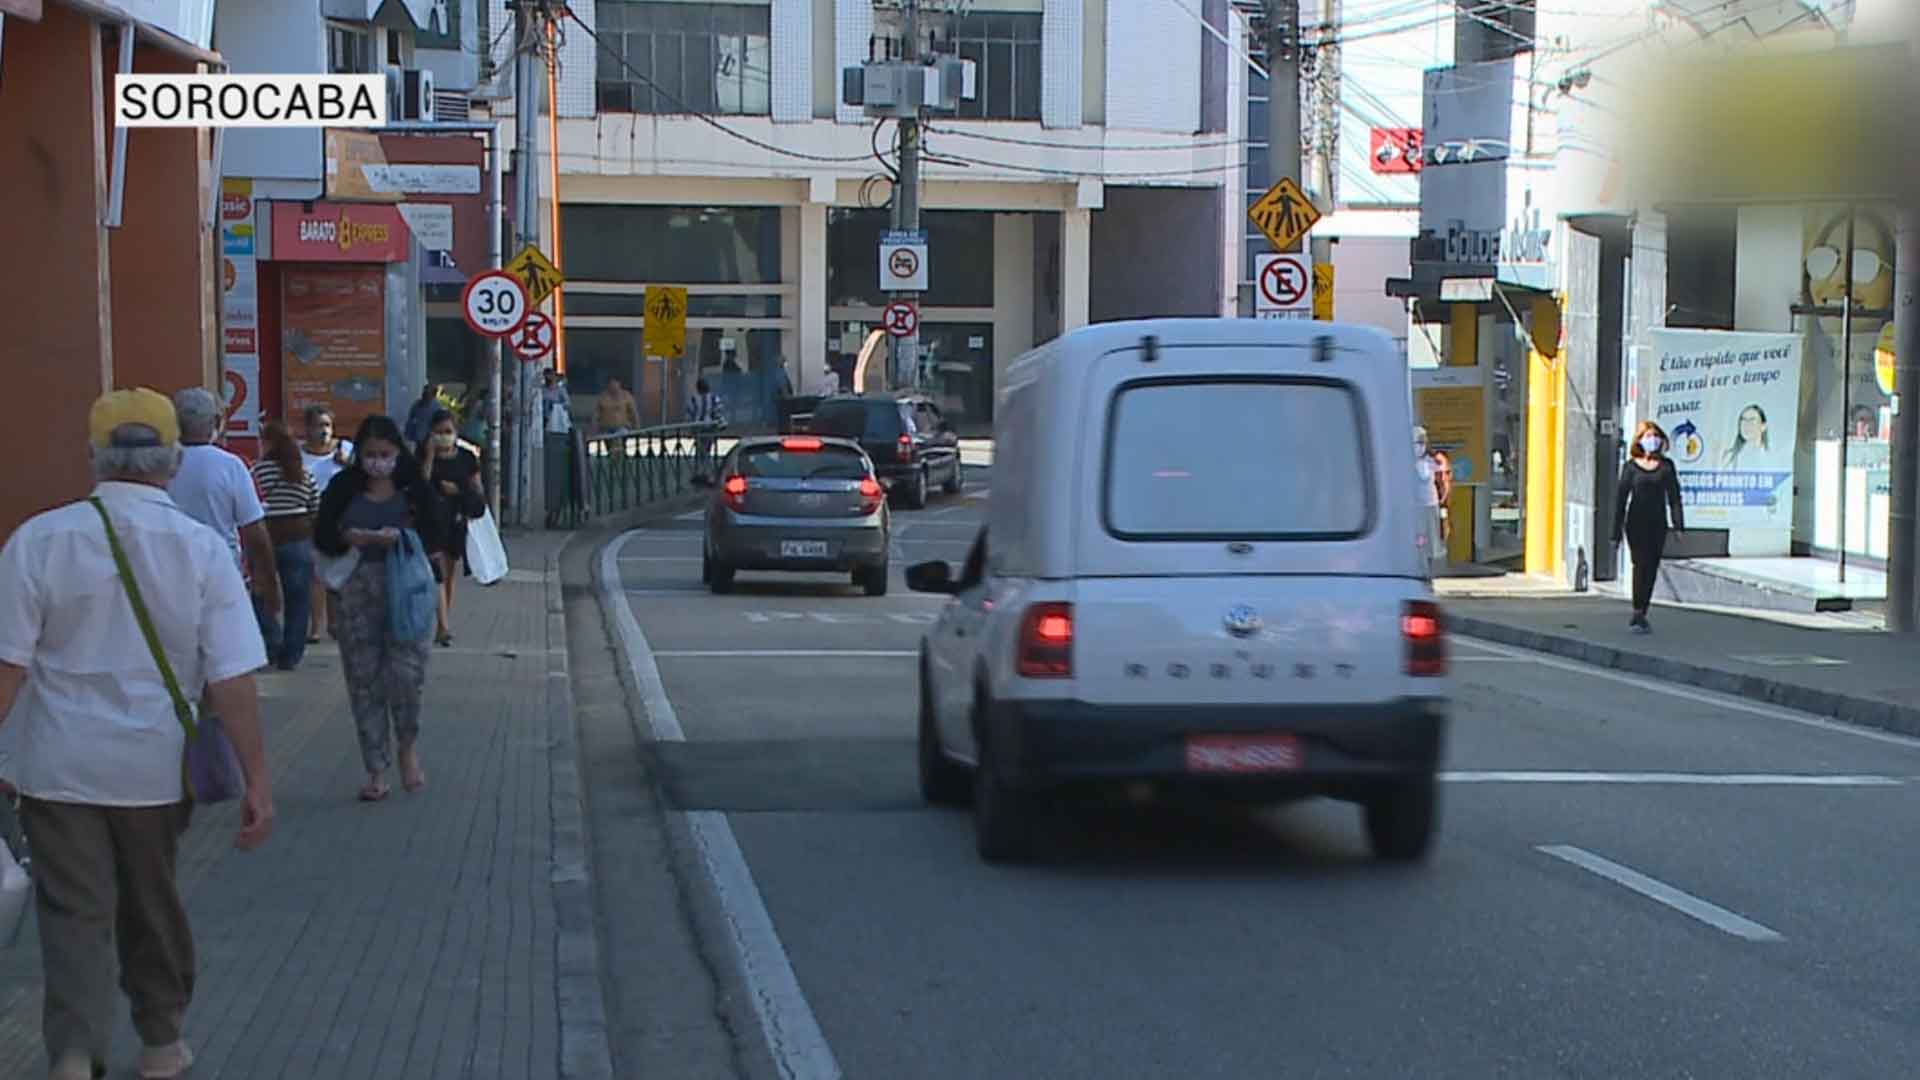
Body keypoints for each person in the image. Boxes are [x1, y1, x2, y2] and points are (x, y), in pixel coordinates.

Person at [0, 388, 274, 1080]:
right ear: (174, 460)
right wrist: (258, 781)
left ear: (92, 457)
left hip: (55, 766)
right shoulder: (202, 550)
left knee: (72, 915)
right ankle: (160, 1043)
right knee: (153, 903)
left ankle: (71, 1052)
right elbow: (232, 680)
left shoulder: (39, 539)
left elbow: (7, 666)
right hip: (155, 770)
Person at [313, 415, 442, 801]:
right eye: (369, 455)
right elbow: (322, 534)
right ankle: (376, 769)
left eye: (384, 454)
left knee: (407, 677)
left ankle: (407, 748)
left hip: (407, 591)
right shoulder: (343, 488)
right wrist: (347, 537)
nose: (377, 462)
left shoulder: (414, 489)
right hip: (356, 591)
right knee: (364, 682)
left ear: (397, 453)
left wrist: (401, 538)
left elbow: (437, 532)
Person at [168, 388, 280, 638]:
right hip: (221, 577)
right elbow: (256, 532)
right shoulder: (230, 465)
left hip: (169, 577)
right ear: (216, 422)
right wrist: (269, 582)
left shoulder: (159, 465)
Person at [249, 420, 321, 671]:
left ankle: (272, 642)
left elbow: (250, 504)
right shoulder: (303, 473)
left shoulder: (258, 471)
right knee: (298, 598)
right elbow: (315, 507)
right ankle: (292, 653)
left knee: (261, 595)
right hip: (298, 539)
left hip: (266, 538)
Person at [417, 409, 485, 647]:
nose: (443, 436)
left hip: (455, 520)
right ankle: (443, 626)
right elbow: (420, 485)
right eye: (438, 432)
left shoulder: (466, 458)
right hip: (429, 522)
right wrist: (429, 456)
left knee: (448, 573)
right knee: (437, 572)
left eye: (448, 432)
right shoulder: (424, 453)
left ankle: (442, 622)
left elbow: (477, 492)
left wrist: (459, 491)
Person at [1613, 420, 1687, 634]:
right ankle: (1637, 611)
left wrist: (1679, 525)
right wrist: (1615, 532)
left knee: (1651, 567)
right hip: (1636, 523)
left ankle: (1643, 609)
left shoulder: (1666, 466)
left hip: (1657, 524)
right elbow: (1620, 499)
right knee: (1640, 564)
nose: (1652, 439)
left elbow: (1674, 497)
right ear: (1640, 440)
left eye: (1655, 435)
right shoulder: (1630, 467)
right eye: (1647, 435)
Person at [300, 405, 353, 642]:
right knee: (316, 575)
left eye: (327, 425)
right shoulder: (298, 455)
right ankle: (314, 627)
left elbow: (364, 480)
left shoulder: (345, 450)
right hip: (310, 518)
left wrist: (347, 465)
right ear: (307, 428)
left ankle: (336, 623)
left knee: (339, 574)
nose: (324, 431)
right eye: (318, 425)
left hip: (341, 520)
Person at [1413, 426, 1453, 568]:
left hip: (1431, 503)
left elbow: (1444, 481)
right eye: (1417, 442)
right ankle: (1418, 562)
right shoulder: (1404, 461)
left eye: (1422, 442)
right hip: (1413, 506)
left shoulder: (1433, 460)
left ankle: (1428, 564)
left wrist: (1444, 501)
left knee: (1431, 538)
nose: (1419, 446)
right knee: (1417, 537)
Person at [542, 369, 574, 528]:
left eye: (551, 375)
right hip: (542, 431)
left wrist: (557, 407)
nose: (548, 378)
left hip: (557, 430)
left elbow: (568, 405)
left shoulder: (560, 391)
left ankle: (556, 511)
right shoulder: (540, 391)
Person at [687, 377, 726, 474]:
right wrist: (720, 424)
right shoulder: (714, 398)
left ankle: (699, 471)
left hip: (698, 428)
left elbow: (689, 414)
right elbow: (718, 412)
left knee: (699, 449)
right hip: (710, 427)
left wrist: (690, 429)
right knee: (707, 448)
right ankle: (707, 471)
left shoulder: (693, 399)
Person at [1721, 404, 1771, 468]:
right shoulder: (1728, 457)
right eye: (1743, 420)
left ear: (1763, 426)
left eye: (1752, 420)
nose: (1746, 425)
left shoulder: (1770, 456)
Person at [403, 383, 440, 452]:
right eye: (423, 393)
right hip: (418, 440)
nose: (424, 395)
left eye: (427, 393)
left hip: (430, 442)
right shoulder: (417, 404)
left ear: (433, 395)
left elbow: (439, 425)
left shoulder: (437, 409)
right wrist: (408, 434)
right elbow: (411, 419)